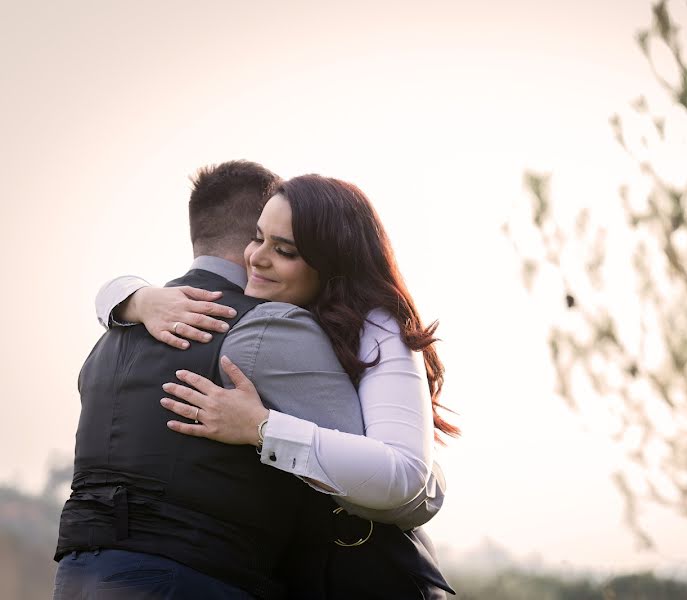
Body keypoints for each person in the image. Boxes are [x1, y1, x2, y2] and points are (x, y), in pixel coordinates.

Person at [55, 162, 451, 599]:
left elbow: (402, 481)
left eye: (285, 250)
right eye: (258, 239)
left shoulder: (380, 327)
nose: (257, 257)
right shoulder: (226, 316)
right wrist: (133, 296)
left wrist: (261, 428)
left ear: (331, 260)